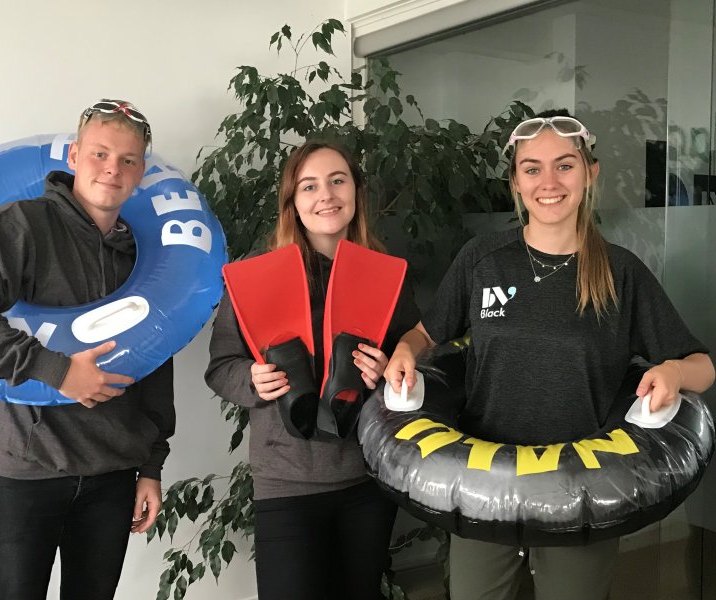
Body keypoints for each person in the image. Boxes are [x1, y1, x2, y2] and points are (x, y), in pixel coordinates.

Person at [384, 109, 715, 600]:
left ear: (589, 173)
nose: (549, 182)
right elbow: (425, 333)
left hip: (579, 496)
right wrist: (405, 352)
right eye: (532, 168)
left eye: (565, 165)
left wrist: (671, 369)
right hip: (483, 490)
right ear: (516, 182)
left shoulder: (621, 273)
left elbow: (702, 367)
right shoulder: (482, 259)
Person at [0, 100, 175, 600]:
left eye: (128, 160)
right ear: (74, 154)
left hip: (111, 474)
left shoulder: (142, 255)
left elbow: (156, 356)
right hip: (24, 470)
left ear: (140, 172)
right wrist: (55, 370)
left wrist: (151, 466)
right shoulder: (22, 226)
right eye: (101, 153)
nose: (113, 168)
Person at [205, 140, 420, 600]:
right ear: (293, 202)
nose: (326, 195)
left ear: (356, 192)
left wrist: (388, 372)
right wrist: (252, 380)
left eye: (337, 180)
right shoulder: (255, 276)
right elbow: (221, 369)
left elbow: (411, 363)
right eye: (309, 186)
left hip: (366, 479)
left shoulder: (386, 277)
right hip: (285, 483)